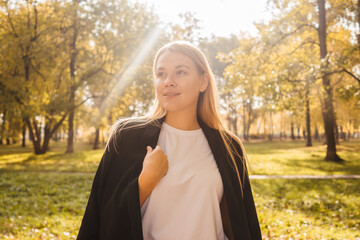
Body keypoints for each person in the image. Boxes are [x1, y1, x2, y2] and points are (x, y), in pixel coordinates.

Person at [76, 41, 262, 240]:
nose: (168, 81)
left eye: (180, 72)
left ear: (203, 82)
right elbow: (101, 218)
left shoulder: (228, 147)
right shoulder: (127, 137)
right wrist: (144, 182)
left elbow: (245, 223)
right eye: (161, 74)